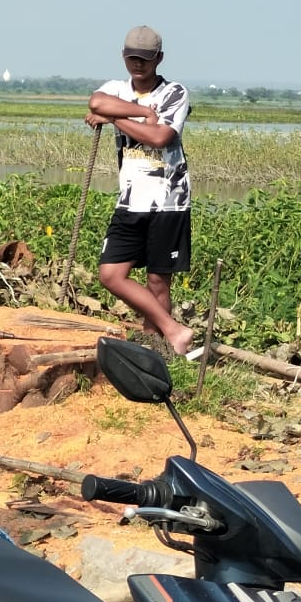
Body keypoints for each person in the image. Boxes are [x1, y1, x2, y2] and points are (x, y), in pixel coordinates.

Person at [86, 25, 194, 356]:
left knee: (158, 280)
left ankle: (157, 347)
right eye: (133, 58)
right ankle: (175, 330)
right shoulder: (116, 88)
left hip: (169, 199)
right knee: (111, 274)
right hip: (131, 198)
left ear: (158, 59)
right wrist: (144, 112)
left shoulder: (175, 93)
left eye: (145, 59)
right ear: (124, 56)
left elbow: (161, 138)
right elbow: (95, 101)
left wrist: (114, 118)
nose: (138, 64)